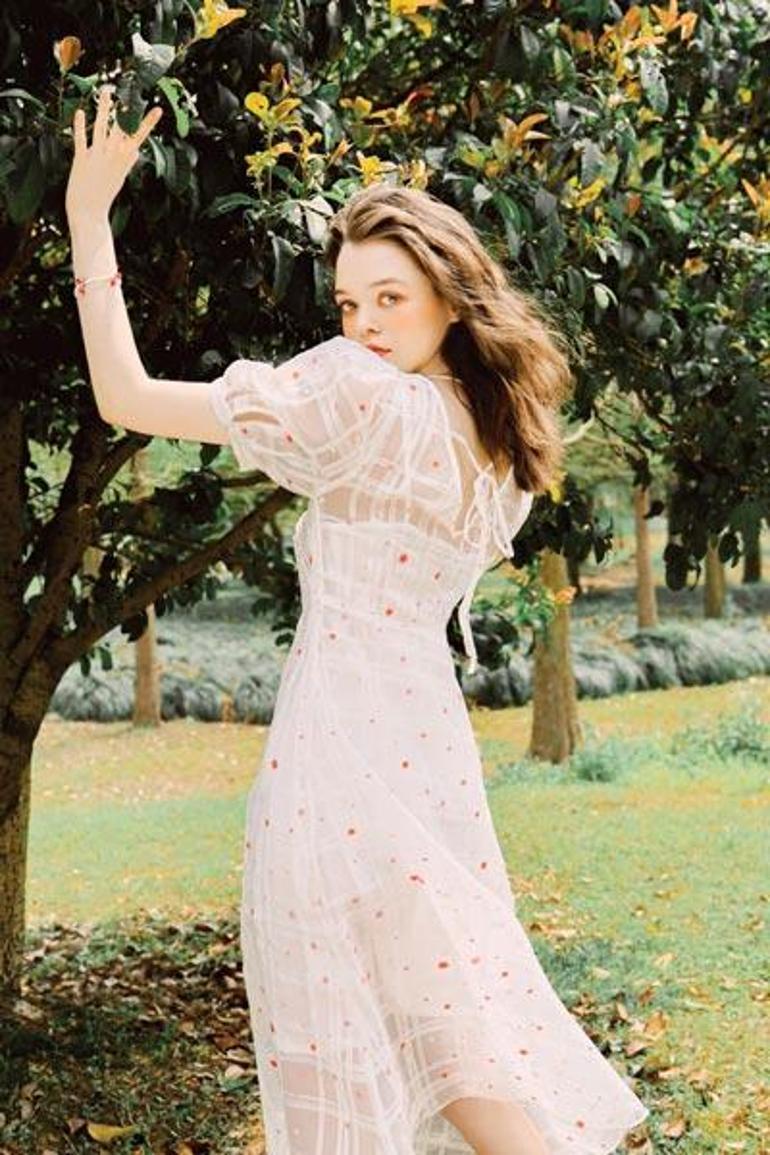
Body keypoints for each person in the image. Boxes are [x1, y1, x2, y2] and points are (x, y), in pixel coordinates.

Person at [66, 85, 649, 1155]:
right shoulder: (498, 444)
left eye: (389, 297)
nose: (364, 325)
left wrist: (87, 222)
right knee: (449, 1022)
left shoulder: (365, 400)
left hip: (339, 742)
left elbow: (127, 399)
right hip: (423, 740)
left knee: (353, 1017)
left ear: (449, 296)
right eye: (347, 305)